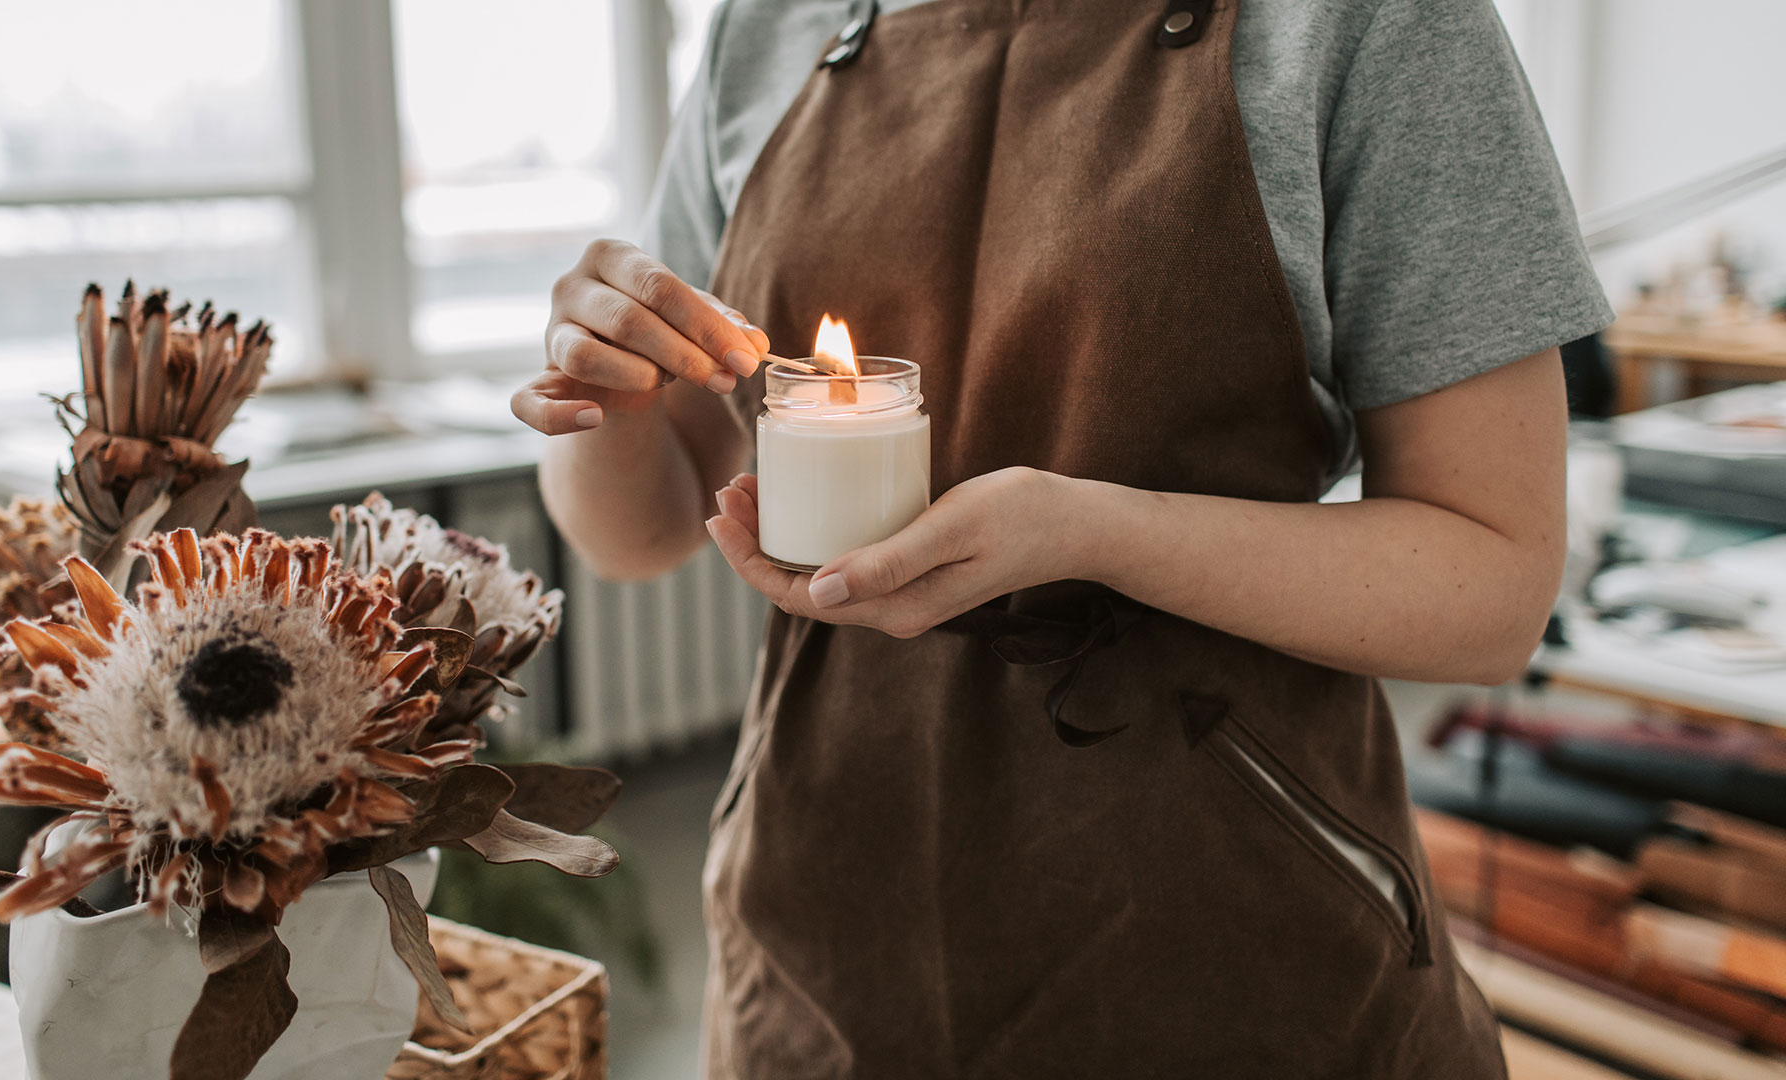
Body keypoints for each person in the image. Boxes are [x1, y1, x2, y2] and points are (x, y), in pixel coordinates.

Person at [512, 0, 1611, 1074]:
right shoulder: (767, 32)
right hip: (822, 942)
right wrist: (603, 397)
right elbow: (640, 533)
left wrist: (1099, 534)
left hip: (1239, 943)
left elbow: (1495, 584)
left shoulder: (1373, 28)